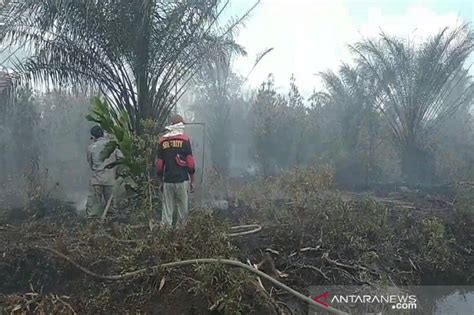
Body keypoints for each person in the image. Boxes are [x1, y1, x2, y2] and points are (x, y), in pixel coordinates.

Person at [155, 115, 195, 226]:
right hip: (182, 181)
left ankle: (166, 236)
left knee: (167, 212)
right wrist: (192, 181)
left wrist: (160, 181)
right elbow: (190, 163)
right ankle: (181, 237)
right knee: (182, 213)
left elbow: (159, 165)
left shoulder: (162, 141)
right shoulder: (185, 140)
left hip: (168, 181)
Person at [86, 125, 122, 220]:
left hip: (96, 182)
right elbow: (122, 160)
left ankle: (90, 233)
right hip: (110, 181)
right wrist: (117, 172)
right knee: (112, 213)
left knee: (93, 213)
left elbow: (91, 165)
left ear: (93, 137)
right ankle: (116, 232)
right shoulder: (112, 145)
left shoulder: (91, 148)